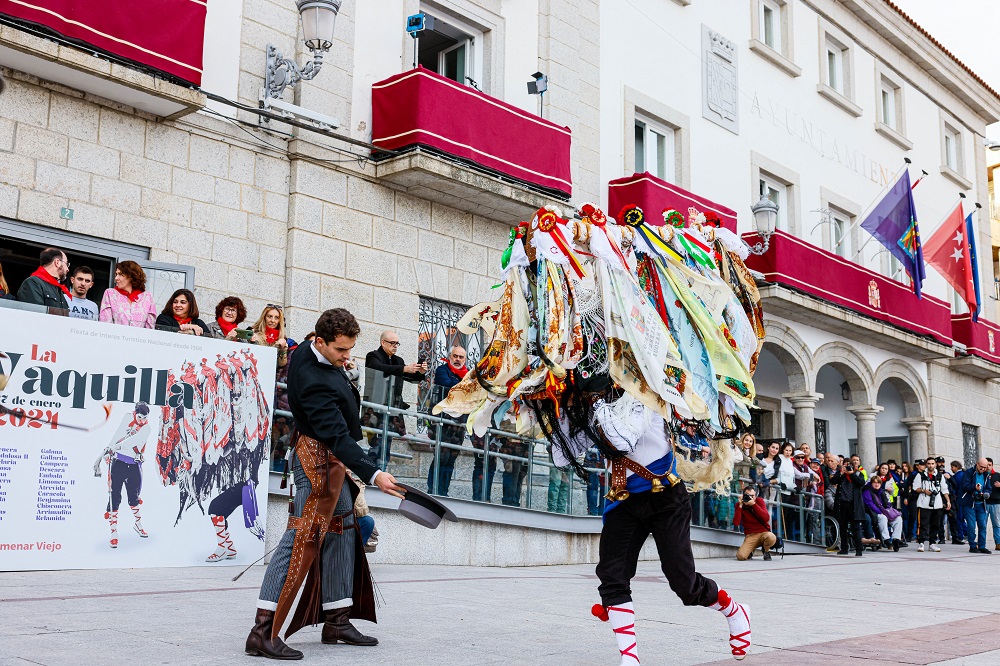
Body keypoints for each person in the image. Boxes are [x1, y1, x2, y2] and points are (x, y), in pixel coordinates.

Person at [246, 308, 406, 660]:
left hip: (329, 460)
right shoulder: (315, 379)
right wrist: (374, 473)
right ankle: (262, 631)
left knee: (342, 527)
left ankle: (337, 619)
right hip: (315, 462)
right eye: (341, 350)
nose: (347, 357)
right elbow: (336, 435)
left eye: (350, 348)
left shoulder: (308, 347)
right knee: (300, 537)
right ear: (320, 342)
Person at [592, 414, 752, 663]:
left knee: (684, 583)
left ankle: (735, 611)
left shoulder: (645, 388)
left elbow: (622, 438)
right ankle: (629, 658)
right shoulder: (593, 400)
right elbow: (564, 455)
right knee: (612, 575)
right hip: (623, 499)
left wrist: (597, 410)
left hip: (665, 494)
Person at [363, 330, 427, 465]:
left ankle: (381, 475)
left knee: (386, 446)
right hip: (376, 409)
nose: (395, 346)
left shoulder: (398, 361)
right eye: (392, 343)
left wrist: (420, 373)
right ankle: (373, 478)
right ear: (383, 342)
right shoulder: (373, 356)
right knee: (376, 446)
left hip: (393, 409)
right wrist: (403, 369)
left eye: (397, 343)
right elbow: (378, 368)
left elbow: (412, 379)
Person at [92, 402, 151, 548]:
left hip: (133, 465)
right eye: (140, 417)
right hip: (118, 463)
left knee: (134, 497)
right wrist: (109, 448)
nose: (142, 420)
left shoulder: (147, 428)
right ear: (135, 413)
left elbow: (134, 441)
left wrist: (118, 446)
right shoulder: (127, 418)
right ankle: (113, 532)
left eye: (145, 418)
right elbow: (118, 433)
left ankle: (138, 524)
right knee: (114, 496)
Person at [426, 346, 468, 496]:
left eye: (461, 357)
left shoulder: (468, 375)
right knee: (440, 456)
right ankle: (433, 488)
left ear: (465, 359)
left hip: (458, 424)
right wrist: (465, 386)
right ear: (450, 357)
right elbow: (447, 385)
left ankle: (444, 491)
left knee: (451, 458)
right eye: (455, 356)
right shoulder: (442, 370)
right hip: (442, 421)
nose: (458, 359)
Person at [99, 261, 157, 328]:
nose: (116, 278)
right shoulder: (110, 294)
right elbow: (105, 324)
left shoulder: (147, 297)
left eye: (120, 274)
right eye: (116, 274)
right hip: (114, 337)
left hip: (139, 338)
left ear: (131, 276)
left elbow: (150, 327)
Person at [913, 457, 949, 553]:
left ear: (935, 464)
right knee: (923, 524)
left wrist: (948, 501)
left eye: (932, 463)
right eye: (928, 463)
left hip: (937, 504)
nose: (930, 465)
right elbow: (915, 488)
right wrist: (924, 490)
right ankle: (921, 542)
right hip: (924, 503)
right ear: (926, 465)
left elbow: (944, 489)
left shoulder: (940, 476)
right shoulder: (920, 475)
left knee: (935, 524)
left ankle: (932, 543)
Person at [831, 456, 865, 556]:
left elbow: (861, 483)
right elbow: (833, 481)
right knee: (842, 527)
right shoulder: (840, 475)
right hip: (842, 504)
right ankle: (844, 549)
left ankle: (859, 550)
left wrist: (852, 474)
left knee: (856, 527)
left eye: (849, 465)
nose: (847, 467)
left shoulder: (858, 474)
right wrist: (841, 473)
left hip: (853, 505)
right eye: (845, 465)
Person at [958, 458, 992, 554]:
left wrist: (986, 493)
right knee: (971, 526)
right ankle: (972, 545)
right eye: (981, 467)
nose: (983, 469)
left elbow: (989, 488)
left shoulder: (986, 475)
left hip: (981, 503)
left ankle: (982, 546)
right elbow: (964, 486)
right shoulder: (969, 472)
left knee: (982, 525)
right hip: (970, 503)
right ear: (977, 464)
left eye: (985, 468)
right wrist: (974, 488)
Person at [734, 485, 776, 561]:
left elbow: (766, 518)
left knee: (771, 537)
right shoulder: (740, 505)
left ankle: (766, 550)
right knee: (741, 556)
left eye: (753, 496)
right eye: (748, 496)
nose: (751, 498)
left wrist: (754, 505)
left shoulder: (759, 501)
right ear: (743, 496)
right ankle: (750, 551)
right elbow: (736, 523)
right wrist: (740, 505)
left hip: (764, 533)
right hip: (751, 535)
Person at [862, 476, 902, 551]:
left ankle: (896, 539)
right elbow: (870, 504)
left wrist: (888, 508)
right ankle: (886, 539)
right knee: (882, 517)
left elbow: (887, 502)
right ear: (871, 483)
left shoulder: (881, 492)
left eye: (878, 483)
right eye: (874, 483)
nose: (877, 484)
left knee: (898, 519)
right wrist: (880, 512)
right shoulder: (867, 491)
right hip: (873, 512)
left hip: (883, 511)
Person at [947, 460, 967, 545]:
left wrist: (950, 478)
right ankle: (966, 533)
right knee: (961, 518)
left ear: (956, 467)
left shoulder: (958, 475)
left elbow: (957, 486)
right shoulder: (962, 474)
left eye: (952, 467)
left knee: (959, 518)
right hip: (962, 499)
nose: (951, 469)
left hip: (958, 499)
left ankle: (961, 535)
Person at [986, 458, 1000, 551]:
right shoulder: (981, 475)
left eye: (989, 465)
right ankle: (981, 543)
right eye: (986, 465)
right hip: (984, 503)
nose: (988, 467)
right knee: (982, 524)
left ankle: (998, 543)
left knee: (997, 524)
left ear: (992, 465)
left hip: (996, 503)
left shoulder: (997, 475)